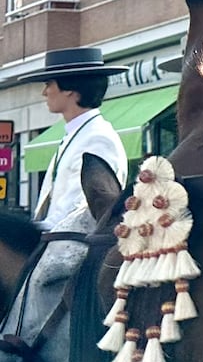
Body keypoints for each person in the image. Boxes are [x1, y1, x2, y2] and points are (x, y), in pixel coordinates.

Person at [16, 48, 129, 232]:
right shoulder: (78, 134)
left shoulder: (98, 138)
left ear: (69, 89)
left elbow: (76, 211)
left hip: (77, 250)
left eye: (49, 84)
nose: (44, 92)